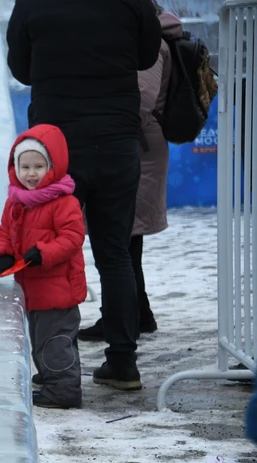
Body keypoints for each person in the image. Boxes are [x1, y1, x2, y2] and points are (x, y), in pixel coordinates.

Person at [7, 0, 162, 391]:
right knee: (116, 253)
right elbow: (146, 56)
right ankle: (123, 362)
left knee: (54, 250)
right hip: (117, 141)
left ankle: (60, 367)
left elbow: (21, 68)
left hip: (55, 148)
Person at [79, 3, 183, 342]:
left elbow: (140, 97)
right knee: (124, 239)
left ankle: (124, 317)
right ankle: (138, 313)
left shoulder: (148, 40)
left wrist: (111, 133)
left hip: (137, 145)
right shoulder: (147, 33)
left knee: (119, 239)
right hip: (137, 143)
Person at [0, 125, 87, 409]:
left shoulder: (63, 202)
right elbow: (5, 232)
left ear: (53, 167)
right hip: (33, 288)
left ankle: (64, 390)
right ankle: (53, 378)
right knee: (42, 340)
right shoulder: (16, 201)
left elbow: (72, 238)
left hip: (58, 289)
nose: (31, 174)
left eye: (39, 166)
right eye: (25, 166)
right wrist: (1, 255)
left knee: (55, 342)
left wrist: (43, 253)